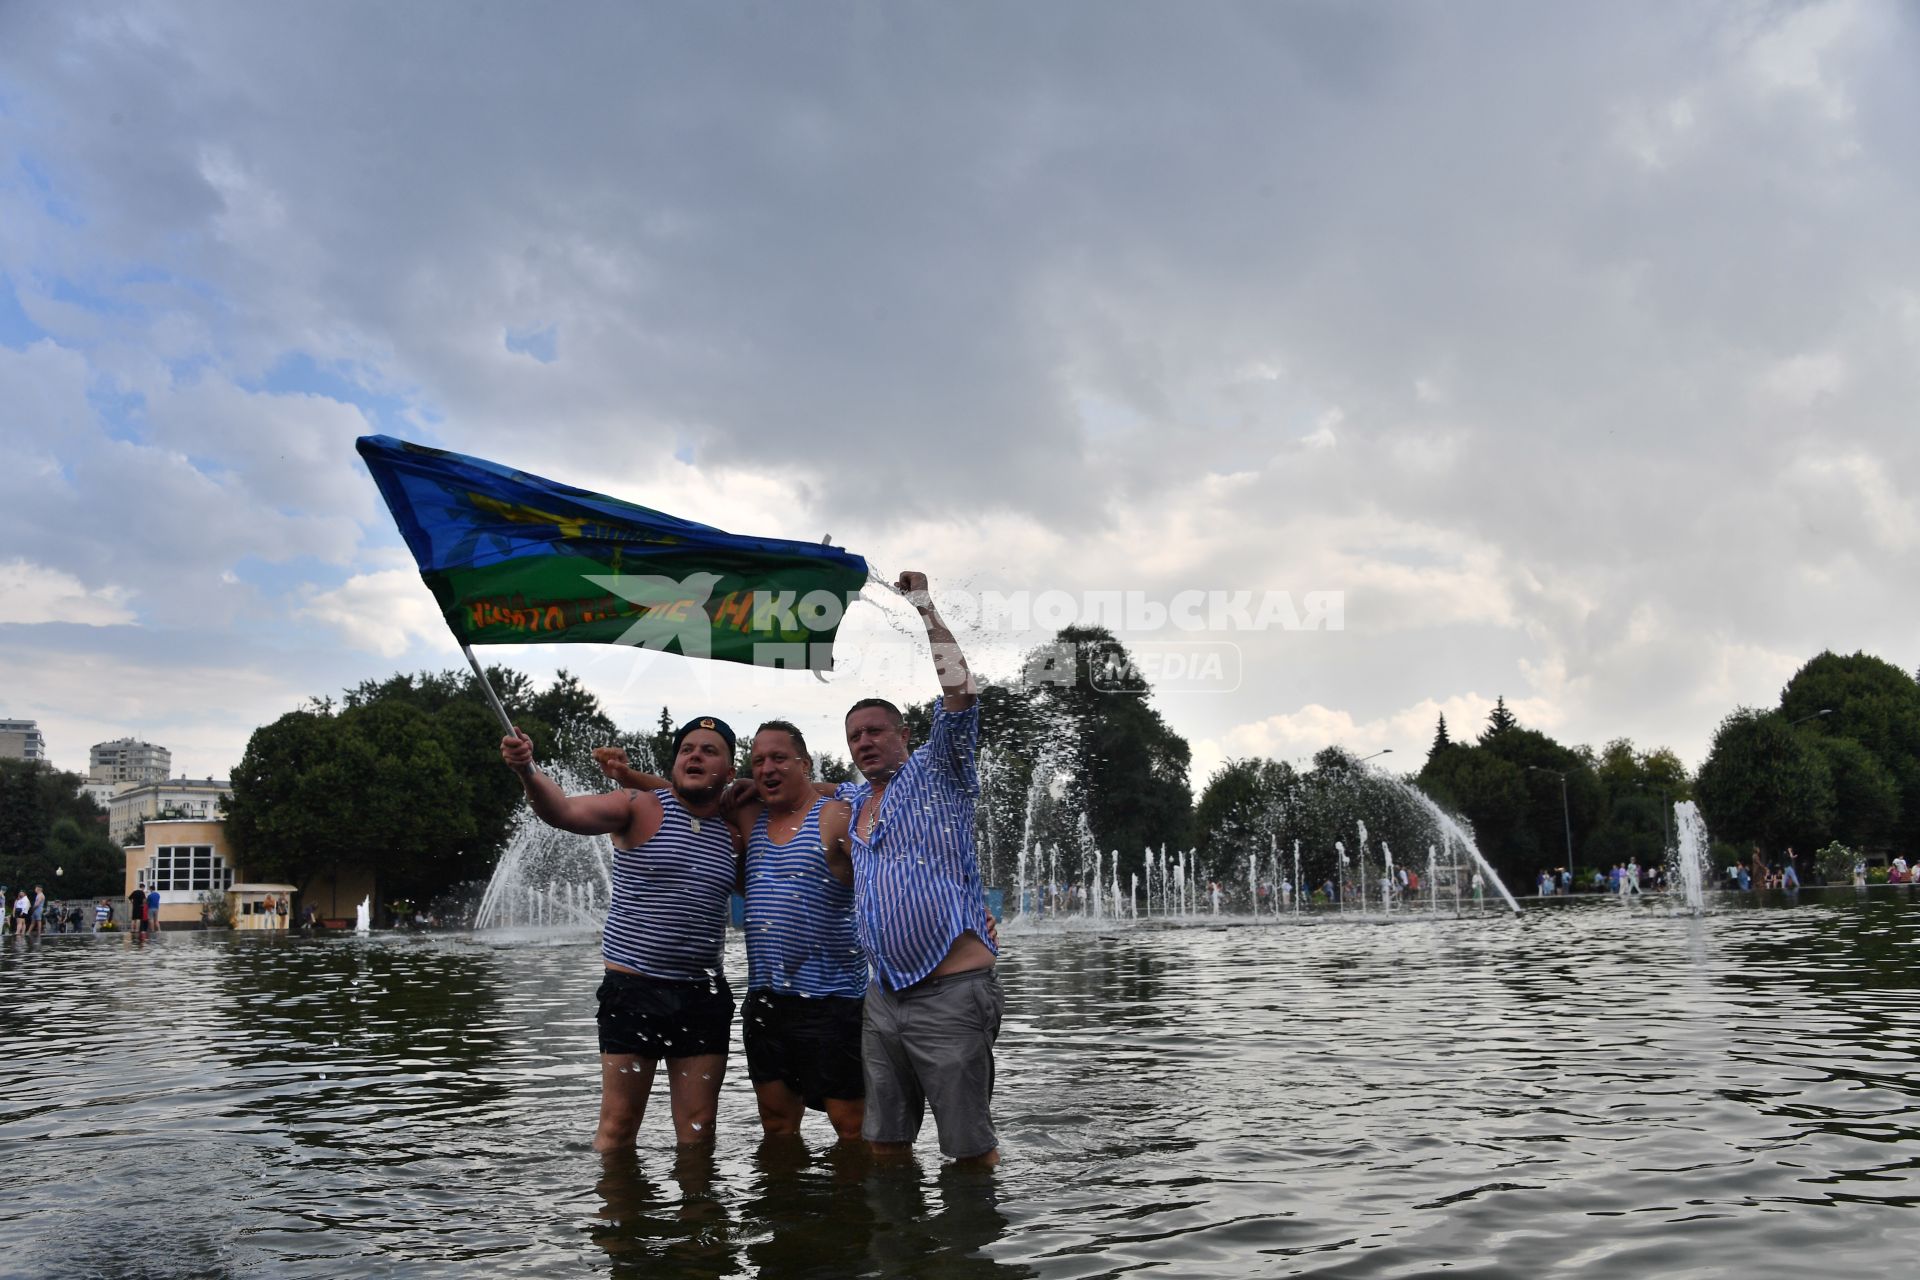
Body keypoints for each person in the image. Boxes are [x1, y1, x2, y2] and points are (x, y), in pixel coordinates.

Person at [502, 715, 742, 1152]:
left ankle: (699, 1217)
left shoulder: (734, 834)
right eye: (687, 749)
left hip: (703, 995)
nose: (695, 756)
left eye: (710, 750)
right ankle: (616, 1218)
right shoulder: (637, 806)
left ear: (729, 772)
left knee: (699, 1128)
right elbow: (563, 811)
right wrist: (527, 770)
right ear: (674, 765)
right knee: (618, 1126)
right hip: (634, 990)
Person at [834, 571, 1002, 1167]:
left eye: (875, 730)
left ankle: (970, 1253)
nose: (863, 743)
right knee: (882, 1142)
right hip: (883, 997)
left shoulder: (939, 769)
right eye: (854, 736)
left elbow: (959, 692)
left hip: (951, 990)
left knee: (968, 1151)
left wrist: (925, 609)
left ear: (904, 734)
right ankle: (902, 1255)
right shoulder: (852, 804)